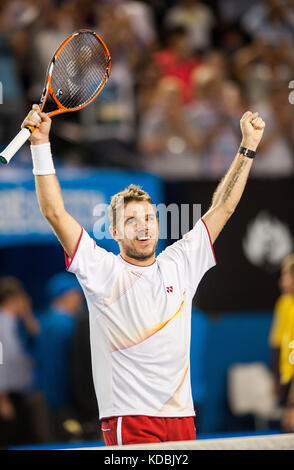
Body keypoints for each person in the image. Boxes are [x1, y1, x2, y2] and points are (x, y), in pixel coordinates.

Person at [22, 103, 265, 445]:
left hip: (182, 418)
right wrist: (40, 145)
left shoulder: (180, 262)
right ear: (115, 231)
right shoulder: (101, 269)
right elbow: (54, 211)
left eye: (149, 218)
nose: (143, 227)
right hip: (129, 419)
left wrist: (248, 146)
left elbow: (223, 206)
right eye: (132, 221)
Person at [33, 272, 84, 440]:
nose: (80, 299)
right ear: (65, 295)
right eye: (76, 294)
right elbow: (60, 365)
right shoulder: (64, 324)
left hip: (47, 394)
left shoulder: (45, 320)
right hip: (63, 397)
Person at [0, 276, 50, 447]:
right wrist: (3, 399)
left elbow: (36, 333)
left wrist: (27, 316)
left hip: (19, 393)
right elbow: (1, 362)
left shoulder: (14, 324)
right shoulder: (3, 324)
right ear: (15, 299)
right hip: (8, 396)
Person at [269, 254, 294, 432]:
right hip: (287, 378)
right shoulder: (284, 304)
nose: (281, 281)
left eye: (286, 276)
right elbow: (277, 344)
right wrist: (276, 378)